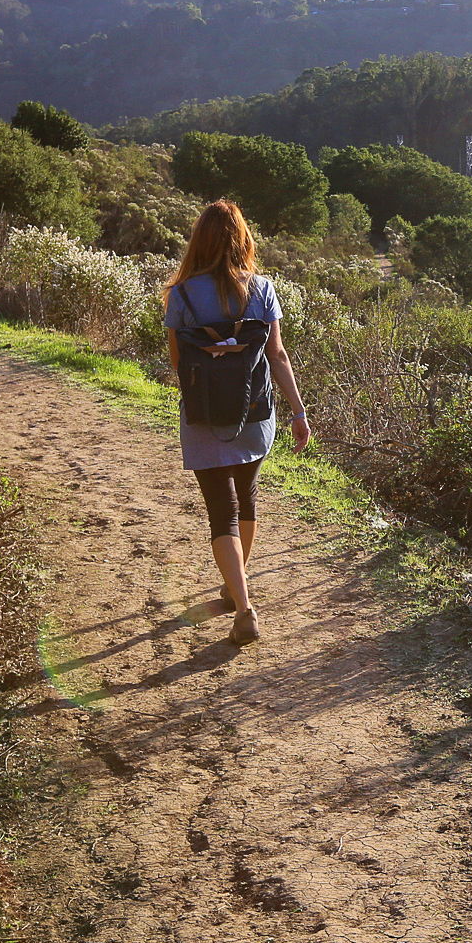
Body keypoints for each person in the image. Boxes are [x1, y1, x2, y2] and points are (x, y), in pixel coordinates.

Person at [163, 200, 310, 645]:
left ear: (199, 241)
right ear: (242, 238)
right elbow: (278, 355)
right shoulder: (262, 288)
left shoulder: (182, 293)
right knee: (246, 500)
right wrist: (299, 411)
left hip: (205, 413)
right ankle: (234, 588)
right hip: (255, 412)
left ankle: (243, 604)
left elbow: (175, 360)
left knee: (219, 512)